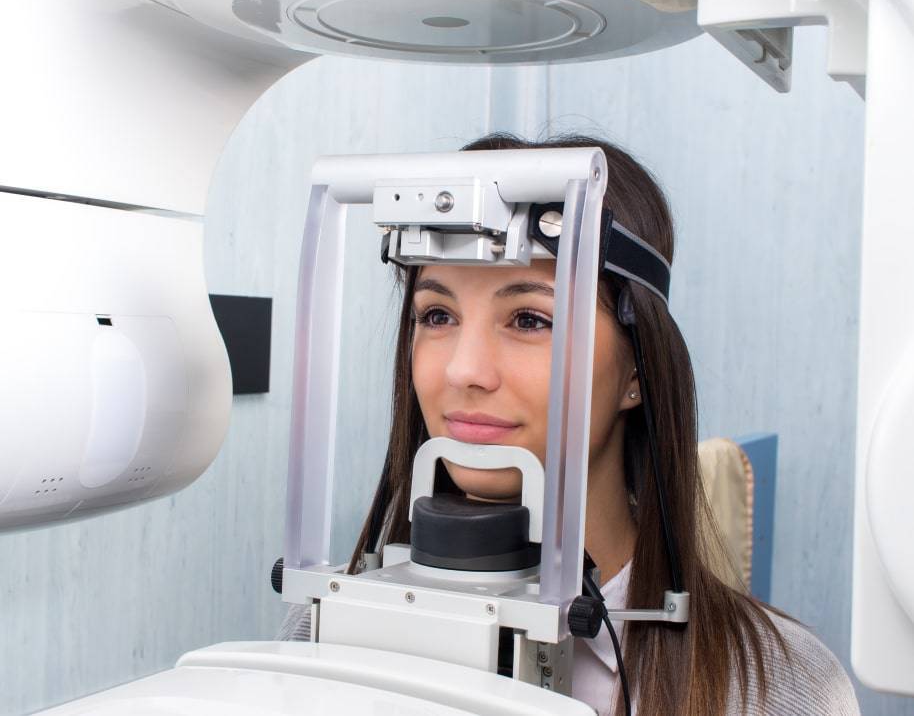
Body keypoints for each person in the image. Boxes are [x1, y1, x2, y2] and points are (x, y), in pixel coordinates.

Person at [278, 133, 859, 716]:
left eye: (530, 319)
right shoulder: (327, 630)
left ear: (637, 367)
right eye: (437, 315)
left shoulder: (781, 686)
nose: (463, 370)